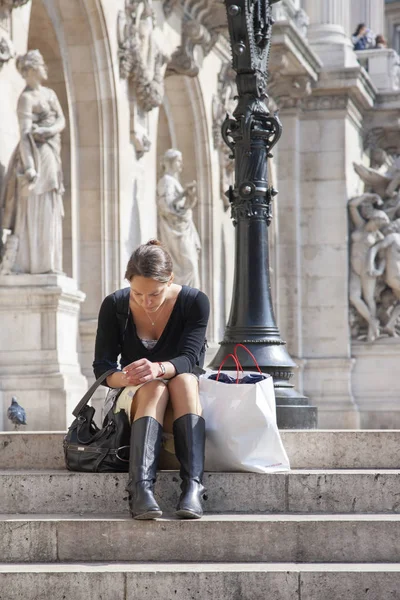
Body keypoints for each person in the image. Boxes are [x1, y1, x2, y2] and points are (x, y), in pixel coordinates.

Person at [93, 240, 210, 520]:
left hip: (183, 402)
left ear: (170, 280)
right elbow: (103, 368)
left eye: (154, 294)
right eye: (137, 293)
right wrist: (127, 376)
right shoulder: (114, 305)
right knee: (154, 387)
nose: (146, 301)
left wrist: (158, 368)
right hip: (133, 400)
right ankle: (141, 489)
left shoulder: (194, 302)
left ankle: (192, 487)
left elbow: (189, 360)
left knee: (184, 380)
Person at [0, 50, 65, 274]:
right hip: (35, 156)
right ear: (31, 70)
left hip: (49, 153)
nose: (45, 67)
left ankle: (48, 260)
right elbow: (25, 134)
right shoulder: (26, 98)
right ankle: (32, 261)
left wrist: (47, 130)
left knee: (50, 202)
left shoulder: (49, 93)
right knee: (33, 203)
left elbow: (61, 120)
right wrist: (29, 167)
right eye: (41, 65)